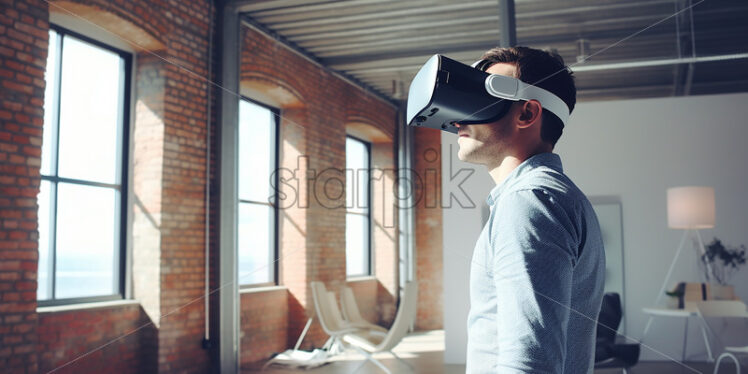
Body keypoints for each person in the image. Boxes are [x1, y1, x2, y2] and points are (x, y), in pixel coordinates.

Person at [460, 46, 606, 373]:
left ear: (526, 114)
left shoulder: (530, 201)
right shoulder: (550, 195)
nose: (459, 116)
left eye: (481, 98)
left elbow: (529, 363)